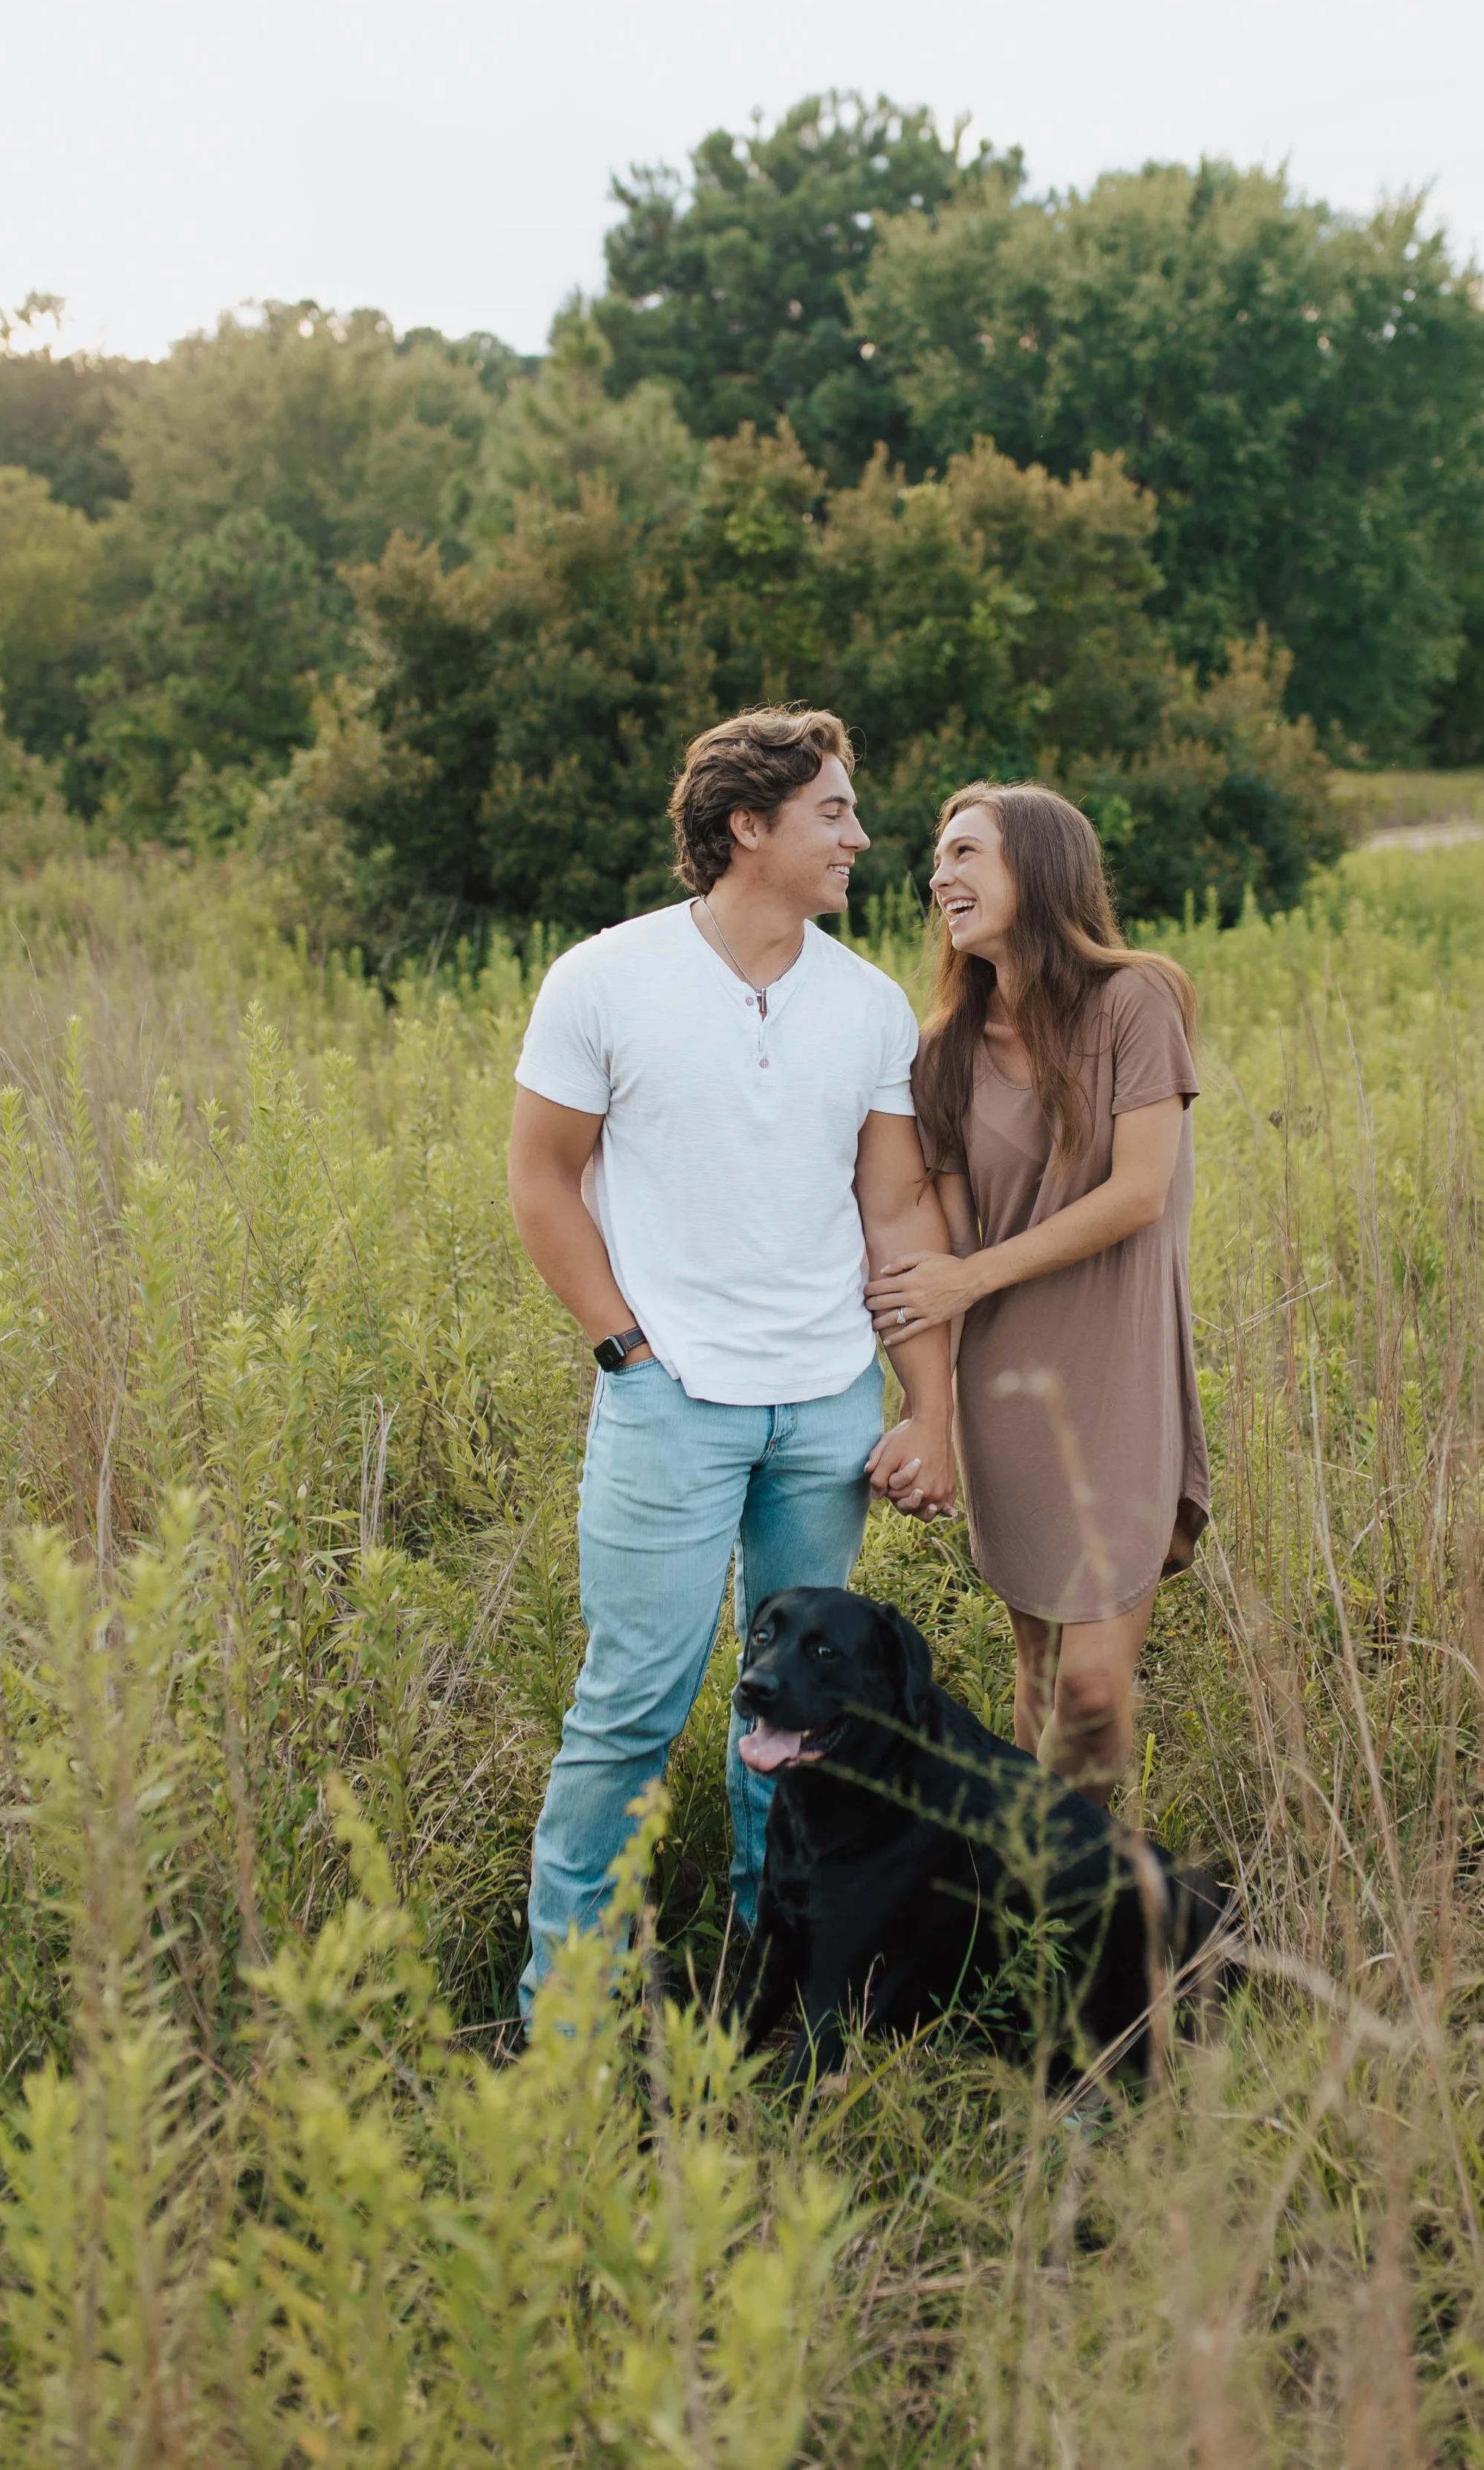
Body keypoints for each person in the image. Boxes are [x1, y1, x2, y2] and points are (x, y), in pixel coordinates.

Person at [508, 706, 957, 2026]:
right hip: (670, 1400)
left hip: (827, 1405)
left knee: (802, 1723)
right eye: (833, 811)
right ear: (746, 826)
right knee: (632, 1705)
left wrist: (926, 1402)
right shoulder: (604, 979)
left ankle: (770, 1980)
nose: (861, 837)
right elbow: (543, 1178)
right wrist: (626, 1349)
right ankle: (567, 2014)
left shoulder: (868, 1003)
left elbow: (898, 1214)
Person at [864, 782, 1207, 1811]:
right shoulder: (942, 1053)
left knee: (1097, 1691)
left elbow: (1140, 1191)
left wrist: (969, 1274)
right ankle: (1049, 1910)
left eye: (967, 852)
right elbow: (949, 1243)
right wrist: (933, 1413)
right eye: (939, 858)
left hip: (1122, 1374)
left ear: (1042, 868)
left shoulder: (1137, 999)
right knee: (1044, 1676)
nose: (940, 876)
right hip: (1006, 1387)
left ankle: (1086, 1905)